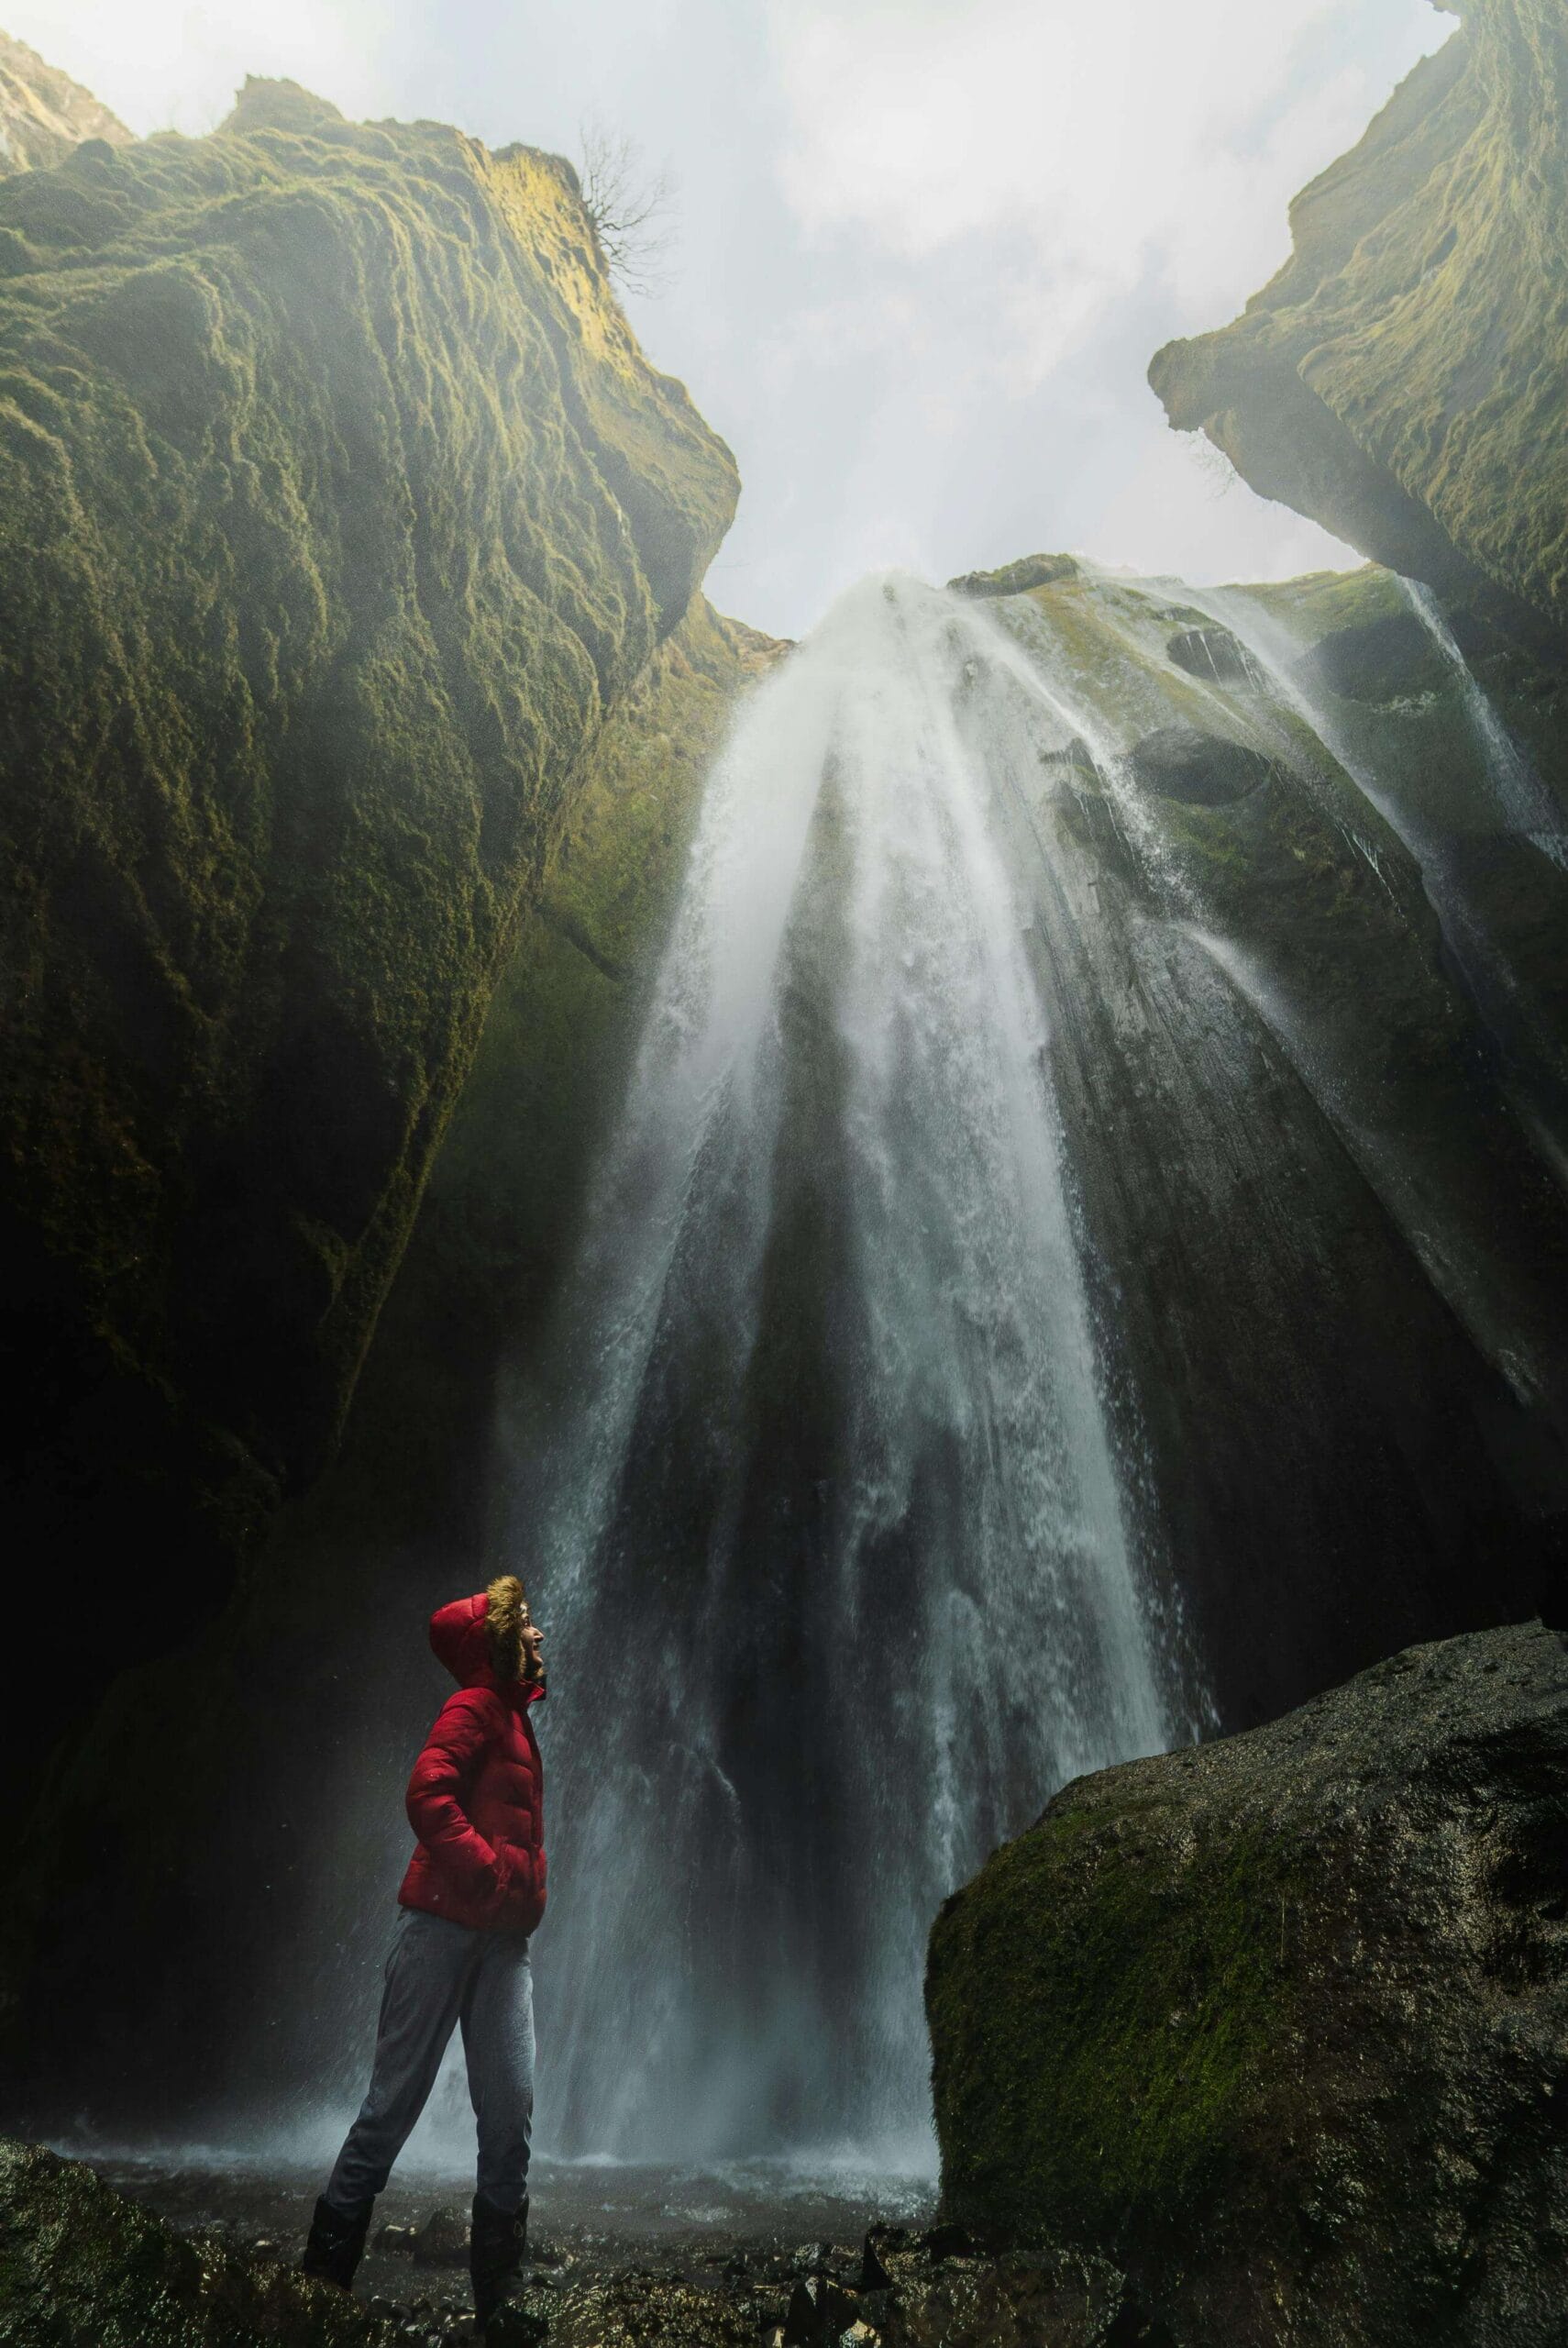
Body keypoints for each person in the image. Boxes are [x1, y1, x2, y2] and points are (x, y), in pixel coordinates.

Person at [301, 1574, 547, 2336]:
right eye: (528, 1627)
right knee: (390, 2112)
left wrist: (515, 1897)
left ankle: (498, 2308)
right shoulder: (474, 1707)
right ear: (502, 1643)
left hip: (503, 1946)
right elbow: (426, 1792)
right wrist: (490, 1871)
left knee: (511, 2114)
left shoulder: (514, 1720)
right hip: (440, 1932)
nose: (540, 1636)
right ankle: (318, 2294)